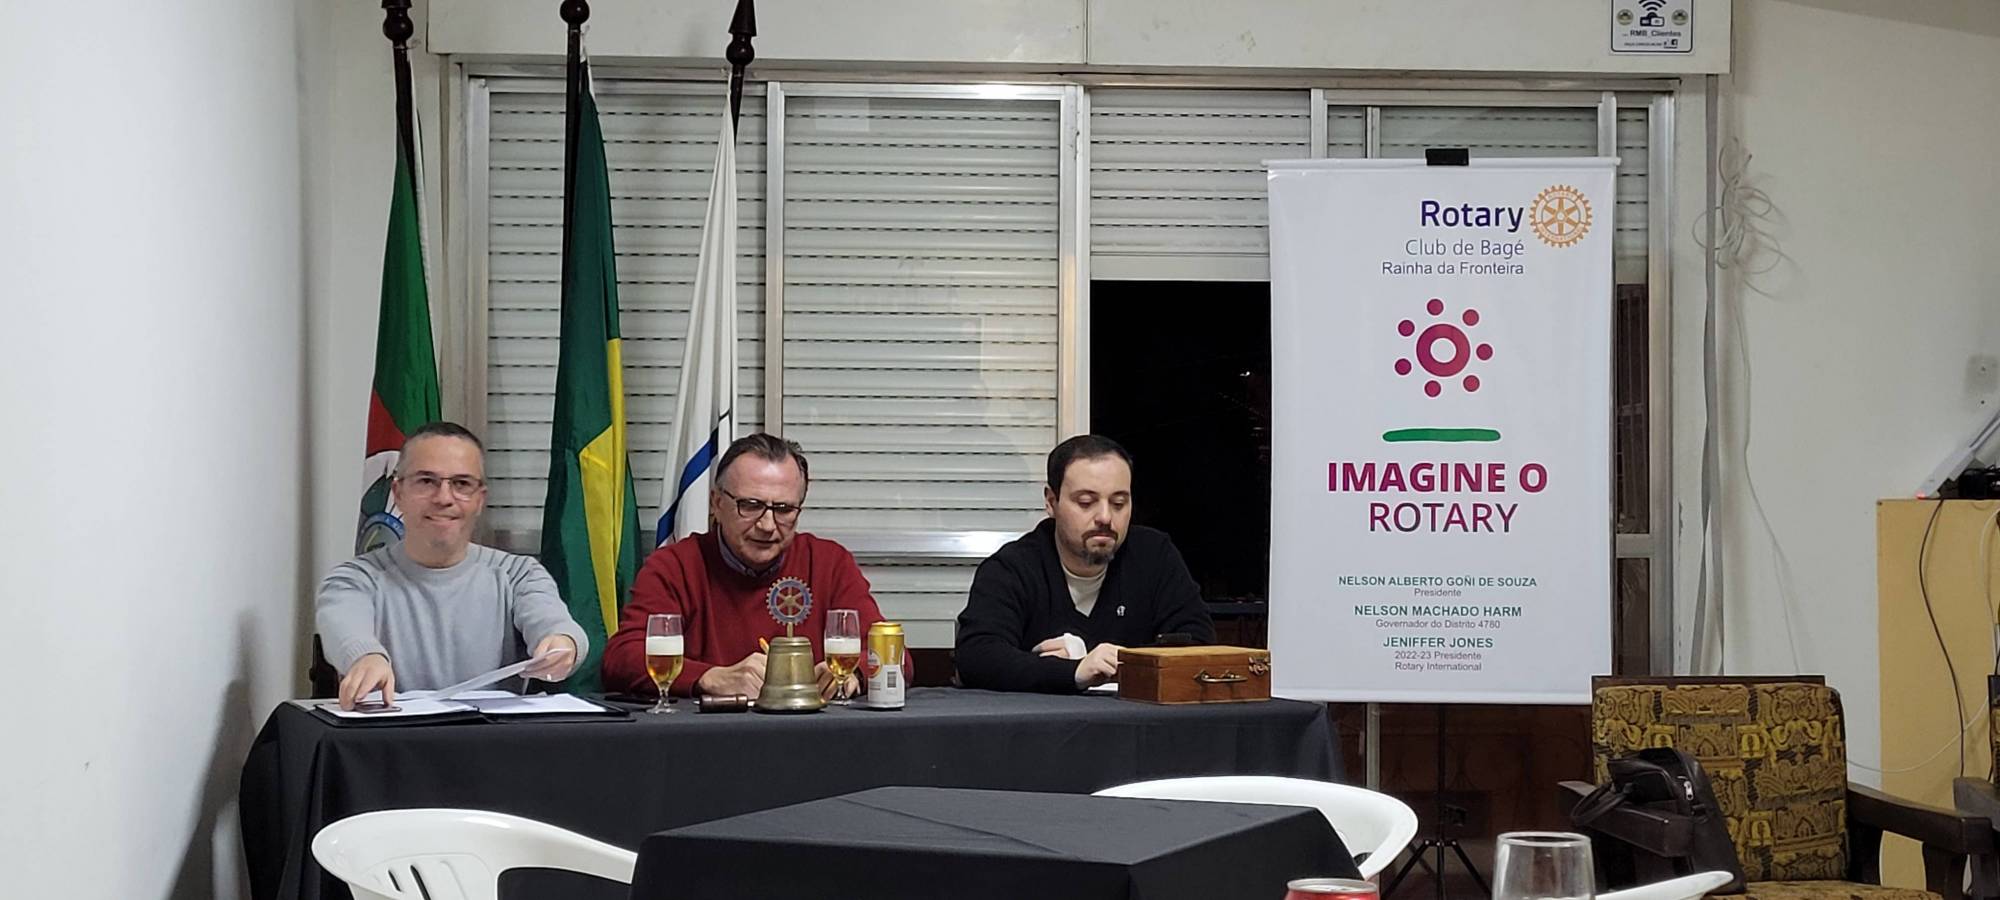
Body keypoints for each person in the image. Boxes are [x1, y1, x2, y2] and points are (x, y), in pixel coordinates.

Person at [603, 433, 898, 700]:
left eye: (784, 509)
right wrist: (709, 677)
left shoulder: (829, 563)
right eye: (751, 505)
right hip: (710, 736)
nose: (767, 525)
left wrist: (854, 675)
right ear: (716, 503)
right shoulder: (675, 566)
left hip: (810, 733)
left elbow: (893, 656)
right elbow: (621, 657)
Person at [315, 422, 586, 709]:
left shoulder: (518, 574)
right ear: (397, 493)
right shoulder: (354, 579)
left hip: (490, 734)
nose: (444, 498)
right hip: (389, 735)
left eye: (462, 484)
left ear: (480, 500)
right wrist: (366, 658)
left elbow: (556, 625)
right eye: (426, 481)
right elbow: (345, 630)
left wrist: (561, 643)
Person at [954, 434, 1214, 693]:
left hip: (1138, 716)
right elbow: (977, 656)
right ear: (1051, 502)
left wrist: (1121, 662)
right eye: (1086, 503)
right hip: (1041, 718)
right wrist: (1074, 671)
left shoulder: (1154, 555)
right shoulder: (1013, 567)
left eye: (1119, 503)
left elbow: (1199, 642)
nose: (1105, 517)